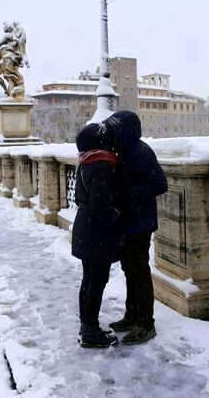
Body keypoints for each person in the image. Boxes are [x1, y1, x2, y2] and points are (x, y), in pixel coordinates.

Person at [103, 110, 168, 345]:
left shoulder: (141, 152)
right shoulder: (125, 150)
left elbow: (160, 184)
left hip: (140, 223)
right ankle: (131, 316)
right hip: (129, 221)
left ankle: (145, 323)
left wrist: (126, 195)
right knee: (130, 269)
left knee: (139, 272)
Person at [72, 123, 123, 348]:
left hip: (85, 228)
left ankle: (87, 325)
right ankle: (90, 332)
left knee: (89, 281)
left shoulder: (85, 161)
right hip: (96, 233)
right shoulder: (101, 164)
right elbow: (101, 206)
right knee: (96, 281)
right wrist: (117, 218)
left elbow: (81, 198)